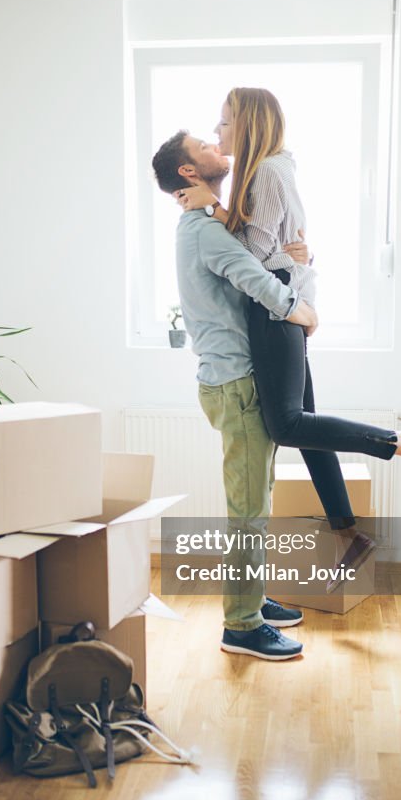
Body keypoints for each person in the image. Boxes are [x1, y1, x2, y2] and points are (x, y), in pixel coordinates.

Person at [176, 88, 401, 583]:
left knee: (286, 426)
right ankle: (350, 533)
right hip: (281, 302)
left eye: (222, 123)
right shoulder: (267, 168)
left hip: (275, 310)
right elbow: (276, 248)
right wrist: (279, 249)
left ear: (247, 125)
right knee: (303, 427)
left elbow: (256, 258)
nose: (217, 133)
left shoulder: (265, 172)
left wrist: (215, 214)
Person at [152, 131, 317, 661]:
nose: (216, 142)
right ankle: (241, 626)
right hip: (236, 383)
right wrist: (303, 311)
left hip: (234, 380)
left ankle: (252, 600)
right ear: (187, 171)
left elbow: (254, 249)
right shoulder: (202, 231)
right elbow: (256, 280)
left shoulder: (205, 224)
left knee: (256, 502)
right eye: (204, 142)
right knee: (248, 511)